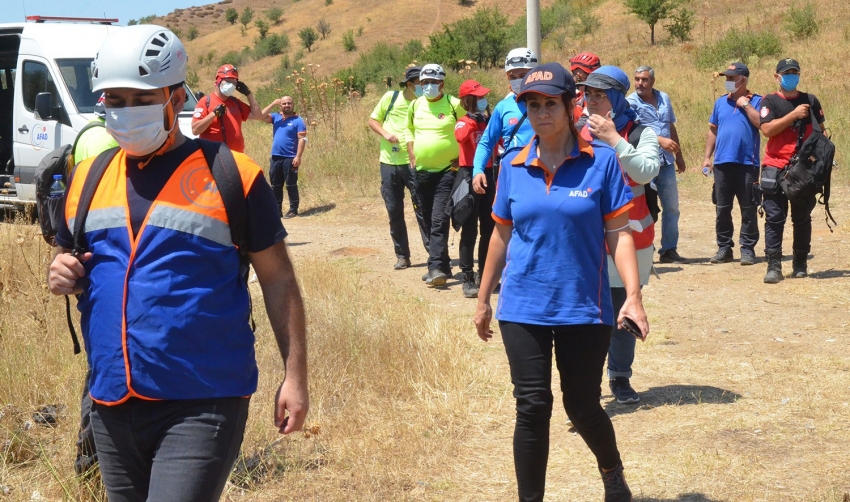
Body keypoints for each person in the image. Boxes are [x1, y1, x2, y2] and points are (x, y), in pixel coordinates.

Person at [47, 25, 308, 500]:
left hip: (202, 398)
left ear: (174, 96)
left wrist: (294, 377)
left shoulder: (234, 174)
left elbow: (278, 280)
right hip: (111, 396)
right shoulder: (87, 177)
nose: (125, 113)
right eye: (114, 101)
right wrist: (63, 272)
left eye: (140, 99)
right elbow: (72, 257)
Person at [474, 62, 649, 502]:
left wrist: (633, 296)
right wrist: (482, 300)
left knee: (583, 406)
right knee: (531, 407)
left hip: (582, 306)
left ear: (571, 105)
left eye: (550, 103)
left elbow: (619, 234)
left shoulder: (602, 162)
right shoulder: (512, 165)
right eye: (533, 105)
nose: (540, 113)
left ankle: (612, 473)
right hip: (522, 305)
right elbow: (500, 234)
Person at [579, 66, 660, 405]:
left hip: (632, 239)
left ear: (615, 98)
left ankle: (620, 376)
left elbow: (645, 172)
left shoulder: (642, 133)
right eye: (588, 94)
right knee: (587, 319)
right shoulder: (574, 134)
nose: (592, 101)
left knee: (623, 311)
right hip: (585, 241)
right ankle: (586, 383)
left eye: (600, 95)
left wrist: (614, 139)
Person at [69, 92, 119, 479]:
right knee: (101, 371)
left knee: (98, 368)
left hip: (95, 269)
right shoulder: (102, 143)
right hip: (101, 267)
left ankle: (89, 460)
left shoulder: (90, 133)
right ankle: (90, 459)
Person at [470, 47, 538, 286]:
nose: (518, 79)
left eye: (524, 73)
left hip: (546, 176)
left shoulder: (550, 102)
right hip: (512, 178)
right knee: (506, 227)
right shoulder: (502, 107)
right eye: (513, 75)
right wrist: (478, 170)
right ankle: (507, 276)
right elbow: (486, 142)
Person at [758, 58, 828, 283]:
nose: (791, 76)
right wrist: (793, 116)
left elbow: (822, 134)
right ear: (777, 76)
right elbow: (767, 130)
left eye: (794, 72)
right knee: (775, 217)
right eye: (786, 73)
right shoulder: (769, 101)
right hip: (776, 167)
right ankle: (774, 265)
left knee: (802, 218)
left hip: (803, 171)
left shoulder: (811, 101)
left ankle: (800, 263)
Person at [406, 63, 465, 287]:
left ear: (442, 83)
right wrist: (411, 151)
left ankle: (436, 268)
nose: (428, 86)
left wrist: (463, 157)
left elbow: (468, 128)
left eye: (432, 82)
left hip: (447, 172)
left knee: (439, 219)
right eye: (424, 83)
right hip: (421, 173)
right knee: (428, 220)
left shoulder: (453, 105)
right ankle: (443, 263)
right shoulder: (415, 106)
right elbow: (408, 130)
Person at [367, 66, 429, 270]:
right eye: (419, 83)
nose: (423, 87)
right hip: (389, 162)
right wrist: (385, 134)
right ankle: (402, 256)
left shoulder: (425, 102)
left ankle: (434, 255)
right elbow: (372, 120)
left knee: (422, 208)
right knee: (394, 210)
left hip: (415, 163)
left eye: (424, 83)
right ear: (409, 84)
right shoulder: (390, 98)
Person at [702, 62, 762, 266]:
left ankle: (748, 249)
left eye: (731, 78)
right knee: (722, 208)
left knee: (748, 208)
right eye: (726, 78)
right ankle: (724, 248)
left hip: (748, 163)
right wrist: (707, 158)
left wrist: (745, 104)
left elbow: (761, 124)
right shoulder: (720, 103)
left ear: (743, 79)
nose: (727, 82)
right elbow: (713, 130)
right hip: (722, 163)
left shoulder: (759, 101)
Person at [627, 66, 687, 264]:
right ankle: (645, 250)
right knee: (648, 208)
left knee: (672, 208)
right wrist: (659, 140)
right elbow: (633, 129)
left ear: (652, 81)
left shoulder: (664, 98)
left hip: (666, 163)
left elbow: (670, 125)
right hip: (645, 162)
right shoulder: (630, 102)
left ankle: (669, 249)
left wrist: (678, 155)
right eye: (636, 79)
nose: (639, 84)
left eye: (644, 80)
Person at [454, 79, 492, 298]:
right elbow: (460, 136)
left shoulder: (488, 121)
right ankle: (467, 277)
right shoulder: (463, 122)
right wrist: (472, 120)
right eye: (478, 98)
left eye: (483, 97)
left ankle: (485, 274)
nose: (482, 101)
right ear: (468, 101)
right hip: (468, 175)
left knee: (489, 227)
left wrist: (485, 122)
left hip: (488, 175)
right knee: (470, 229)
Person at [191, 64, 264, 153]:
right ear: (218, 81)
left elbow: (258, 115)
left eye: (234, 82)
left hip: (237, 156)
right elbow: (195, 130)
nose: (231, 85)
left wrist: (248, 94)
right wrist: (213, 114)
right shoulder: (205, 102)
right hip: (215, 157)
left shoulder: (235, 102)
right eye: (228, 81)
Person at [261, 95, 307, 218]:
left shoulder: (298, 120)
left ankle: (293, 210)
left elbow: (302, 139)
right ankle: (277, 210)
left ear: (293, 105)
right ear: (280, 105)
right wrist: (272, 104)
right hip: (275, 157)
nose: (287, 105)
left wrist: (298, 157)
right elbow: (261, 116)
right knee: (275, 185)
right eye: (284, 103)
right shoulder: (275, 117)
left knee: (291, 184)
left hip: (290, 157)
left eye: (289, 103)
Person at [569, 51, 601, 129]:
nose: (575, 79)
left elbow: (583, 123)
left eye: (578, 78)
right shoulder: (578, 94)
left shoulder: (597, 97)